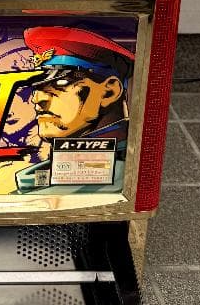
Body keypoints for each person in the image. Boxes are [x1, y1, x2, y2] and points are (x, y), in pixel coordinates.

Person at [14, 26, 134, 194]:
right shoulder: (42, 175)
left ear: (109, 92)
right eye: (38, 87)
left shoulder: (123, 176)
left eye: (60, 83)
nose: (38, 99)